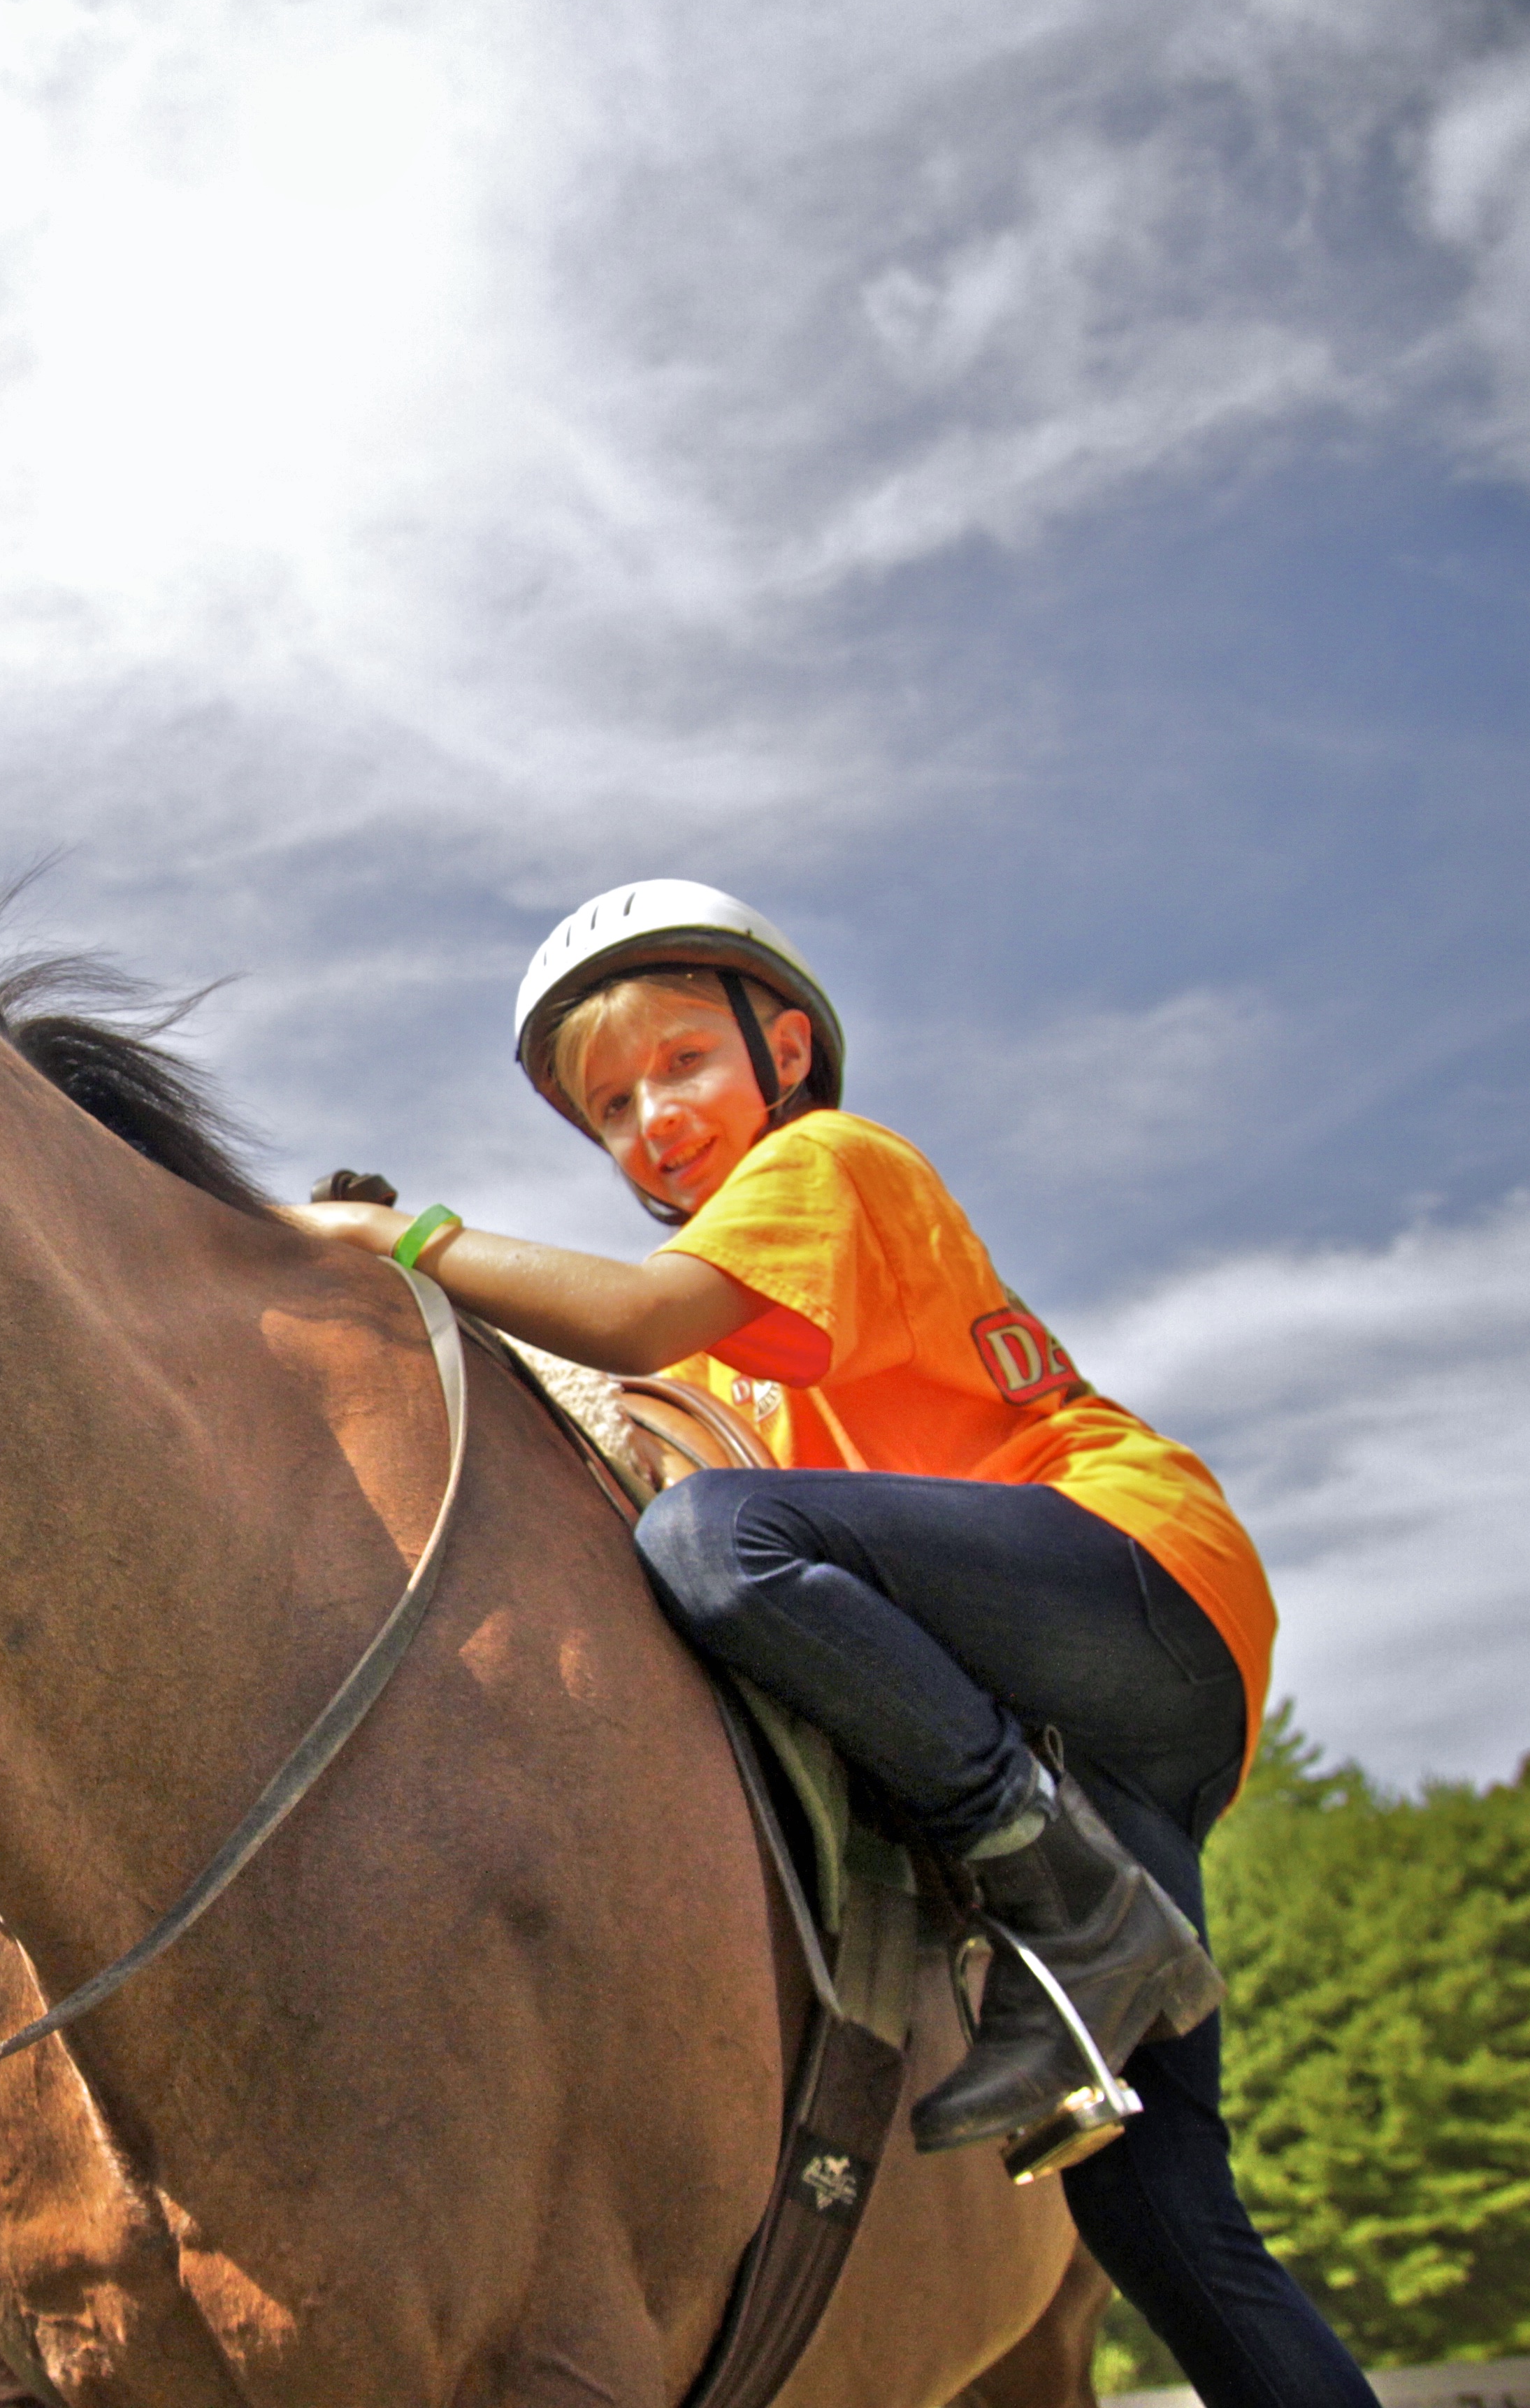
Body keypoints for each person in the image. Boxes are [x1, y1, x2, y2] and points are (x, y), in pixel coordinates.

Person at [284, 881, 1376, 2408]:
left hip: (1129, 1567)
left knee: (713, 1543)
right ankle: (1083, 1906)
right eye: (608, 1107)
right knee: (1162, 2220)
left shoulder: (829, 1163)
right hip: (1111, 1727)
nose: (648, 1119)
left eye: (681, 1065)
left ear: (784, 1048)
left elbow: (644, 1333)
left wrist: (400, 1239)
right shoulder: (761, 1362)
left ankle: (1046, 1876)